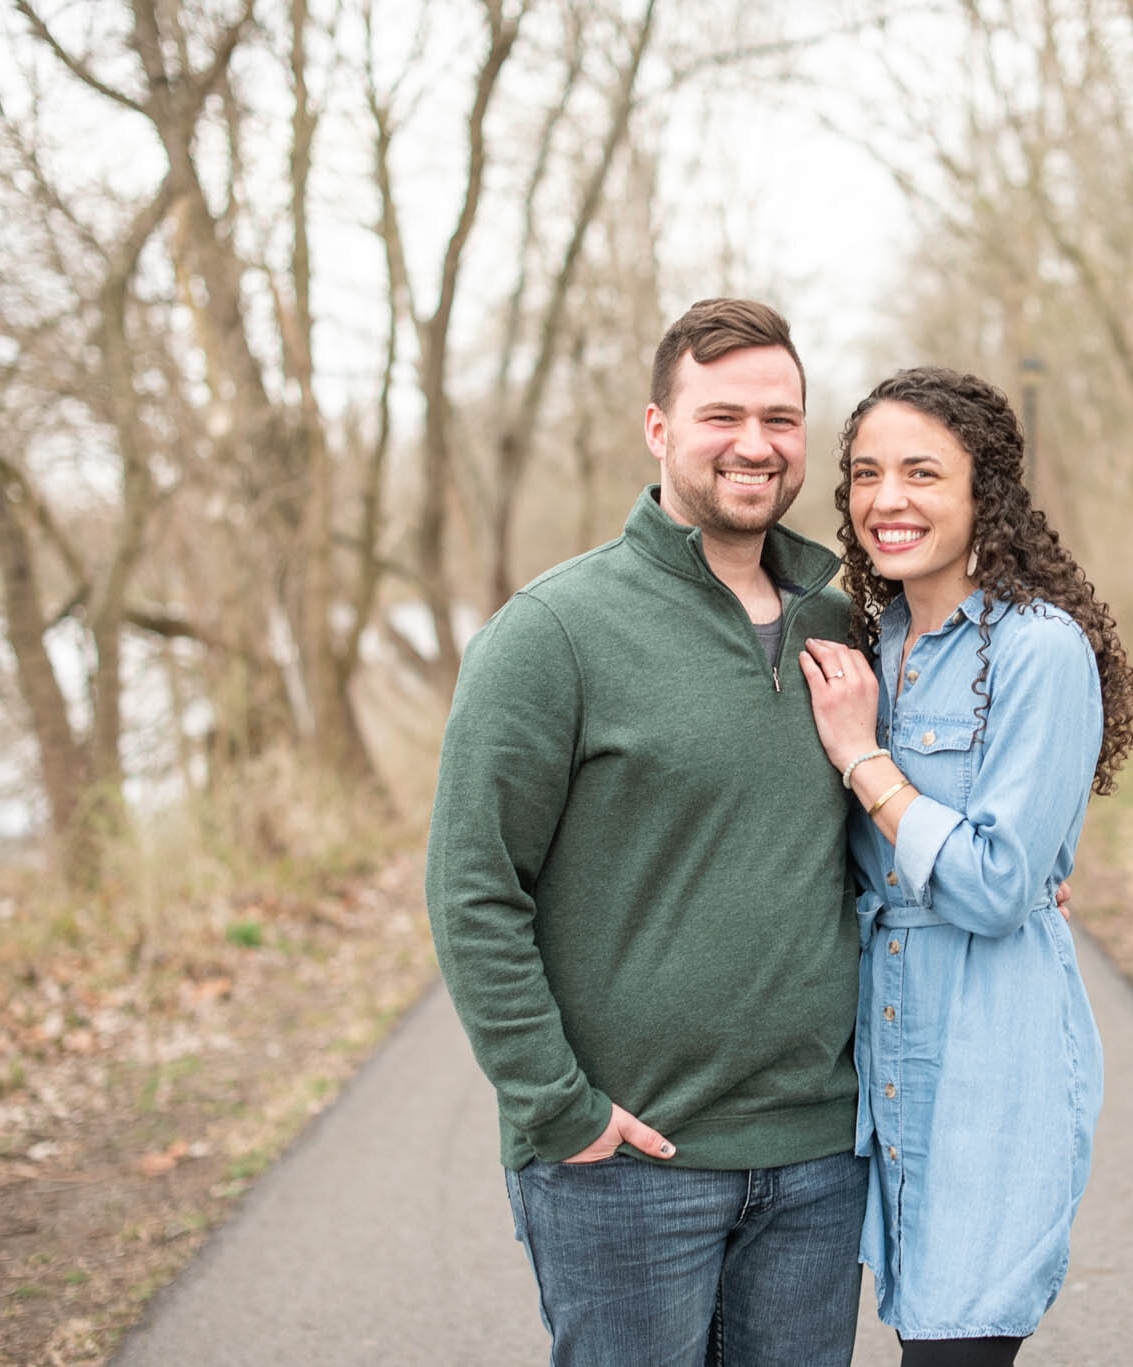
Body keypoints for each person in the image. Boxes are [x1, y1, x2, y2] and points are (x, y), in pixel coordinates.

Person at [424, 299, 867, 1366]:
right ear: (658, 428)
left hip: (816, 1159)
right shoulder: (554, 632)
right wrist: (557, 1105)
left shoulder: (840, 624)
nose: (755, 443)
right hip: (625, 1167)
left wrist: (1029, 866)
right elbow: (472, 888)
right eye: (722, 414)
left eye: (782, 416)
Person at [798, 366, 1133, 1367]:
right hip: (883, 1044)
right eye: (864, 473)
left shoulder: (1038, 650)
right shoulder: (873, 638)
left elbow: (994, 885)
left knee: (953, 1350)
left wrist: (864, 757)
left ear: (981, 491)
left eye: (920, 472)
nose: (886, 499)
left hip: (993, 1050)